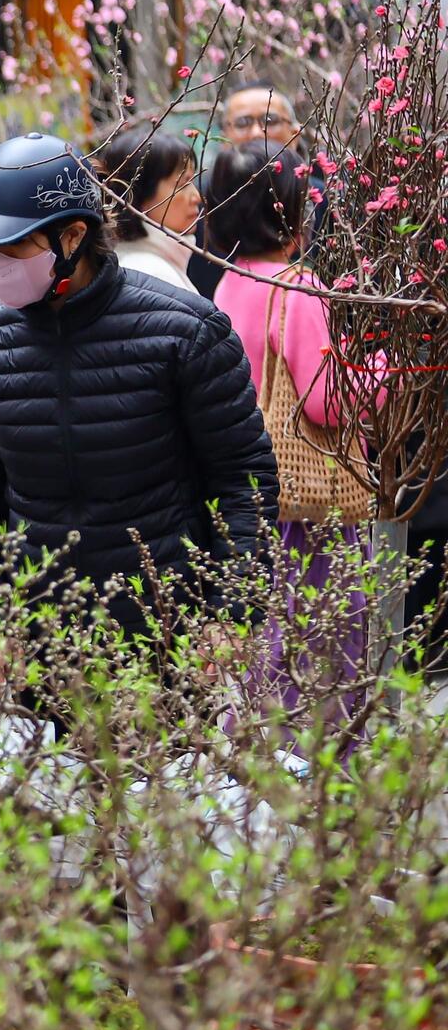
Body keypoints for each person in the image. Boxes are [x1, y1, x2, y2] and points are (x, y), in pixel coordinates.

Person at [0, 132, 278, 694]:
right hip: (37, 647)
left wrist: (232, 613)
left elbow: (244, 480)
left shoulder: (185, 331)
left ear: (72, 236)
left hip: (169, 640)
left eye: (9, 248)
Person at [209, 141, 370, 718]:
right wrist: (382, 376)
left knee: (267, 654)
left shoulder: (227, 285)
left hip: (250, 499)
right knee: (323, 657)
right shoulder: (296, 287)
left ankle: (255, 787)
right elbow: (328, 401)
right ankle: (315, 794)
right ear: (290, 210)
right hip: (307, 506)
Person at [192, 80, 313, 298]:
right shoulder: (198, 202)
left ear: (295, 134)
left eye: (270, 120)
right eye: (243, 123)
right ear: (223, 138)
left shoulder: (326, 199)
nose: (257, 133)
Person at [96, 128, 201, 295]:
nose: (197, 197)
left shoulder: (134, 265)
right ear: (138, 194)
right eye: (182, 184)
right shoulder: (154, 275)